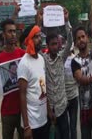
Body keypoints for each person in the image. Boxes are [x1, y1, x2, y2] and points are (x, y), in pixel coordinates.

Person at [42, 8, 72, 139]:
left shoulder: (62, 57)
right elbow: (31, 46)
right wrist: (39, 22)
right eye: (52, 44)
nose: (55, 46)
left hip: (62, 107)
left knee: (66, 136)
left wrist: (66, 21)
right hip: (49, 110)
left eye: (57, 44)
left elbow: (70, 41)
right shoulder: (43, 59)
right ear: (48, 45)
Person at [18, 25, 51, 139]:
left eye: (39, 36)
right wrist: (27, 127)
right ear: (29, 40)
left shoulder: (41, 59)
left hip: (43, 120)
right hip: (32, 125)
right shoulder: (24, 63)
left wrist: (48, 111)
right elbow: (22, 95)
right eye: (35, 37)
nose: (39, 39)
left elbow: (43, 88)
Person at [71, 26, 92, 139]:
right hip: (85, 109)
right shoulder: (74, 61)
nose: (81, 39)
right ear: (75, 42)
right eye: (78, 38)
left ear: (87, 38)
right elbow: (80, 79)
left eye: (83, 36)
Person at [0, 19, 25, 139]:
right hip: (7, 111)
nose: (13, 34)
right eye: (9, 31)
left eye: (14, 31)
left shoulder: (23, 54)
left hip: (23, 110)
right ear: (3, 34)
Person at [64, 47, 78, 139]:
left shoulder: (75, 59)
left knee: (73, 126)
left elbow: (78, 76)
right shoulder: (61, 58)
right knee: (65, 127)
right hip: (63, 98)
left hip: (73, 96)